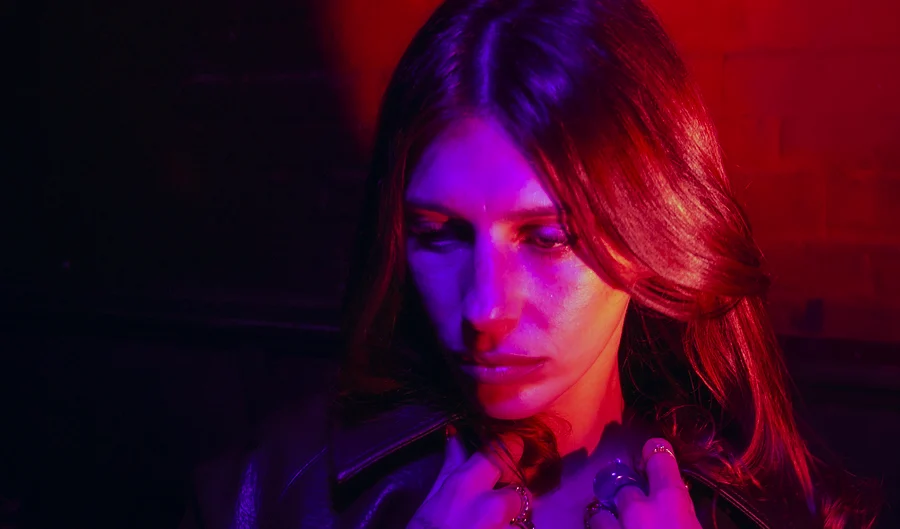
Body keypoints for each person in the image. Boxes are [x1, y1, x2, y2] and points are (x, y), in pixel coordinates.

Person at [181, 0, 881, 528]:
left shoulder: (786, 514)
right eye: (439, 235)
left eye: (548, 238)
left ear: (651, 232)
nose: (484, 307)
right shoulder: (276, 491)